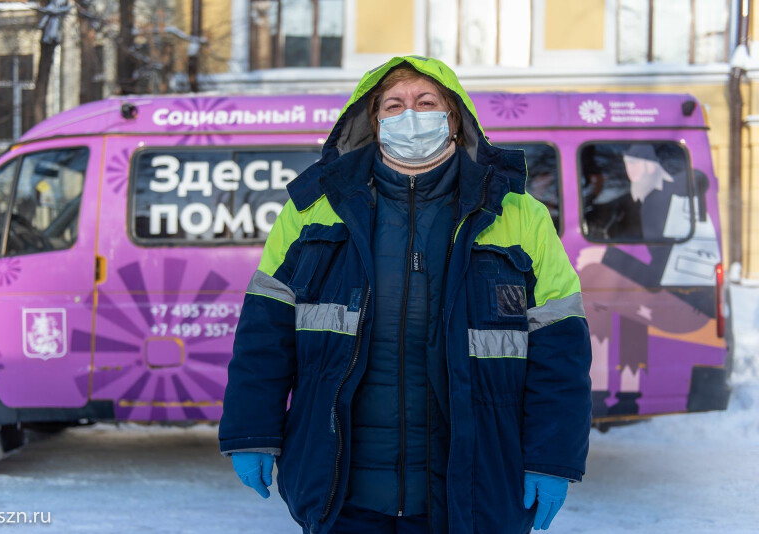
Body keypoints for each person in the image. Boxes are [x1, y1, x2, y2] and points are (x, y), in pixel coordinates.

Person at [219, 56, 593, 534]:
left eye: (426, 102)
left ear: (454, 118)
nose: (410, 115)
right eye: (392, 105)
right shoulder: (314, 208)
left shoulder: (519, 214)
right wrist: (253, 430)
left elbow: (559, 350)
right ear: (374, 122)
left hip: (472, 491)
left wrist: (552, 455)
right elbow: (264, 335)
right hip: (343, 493)